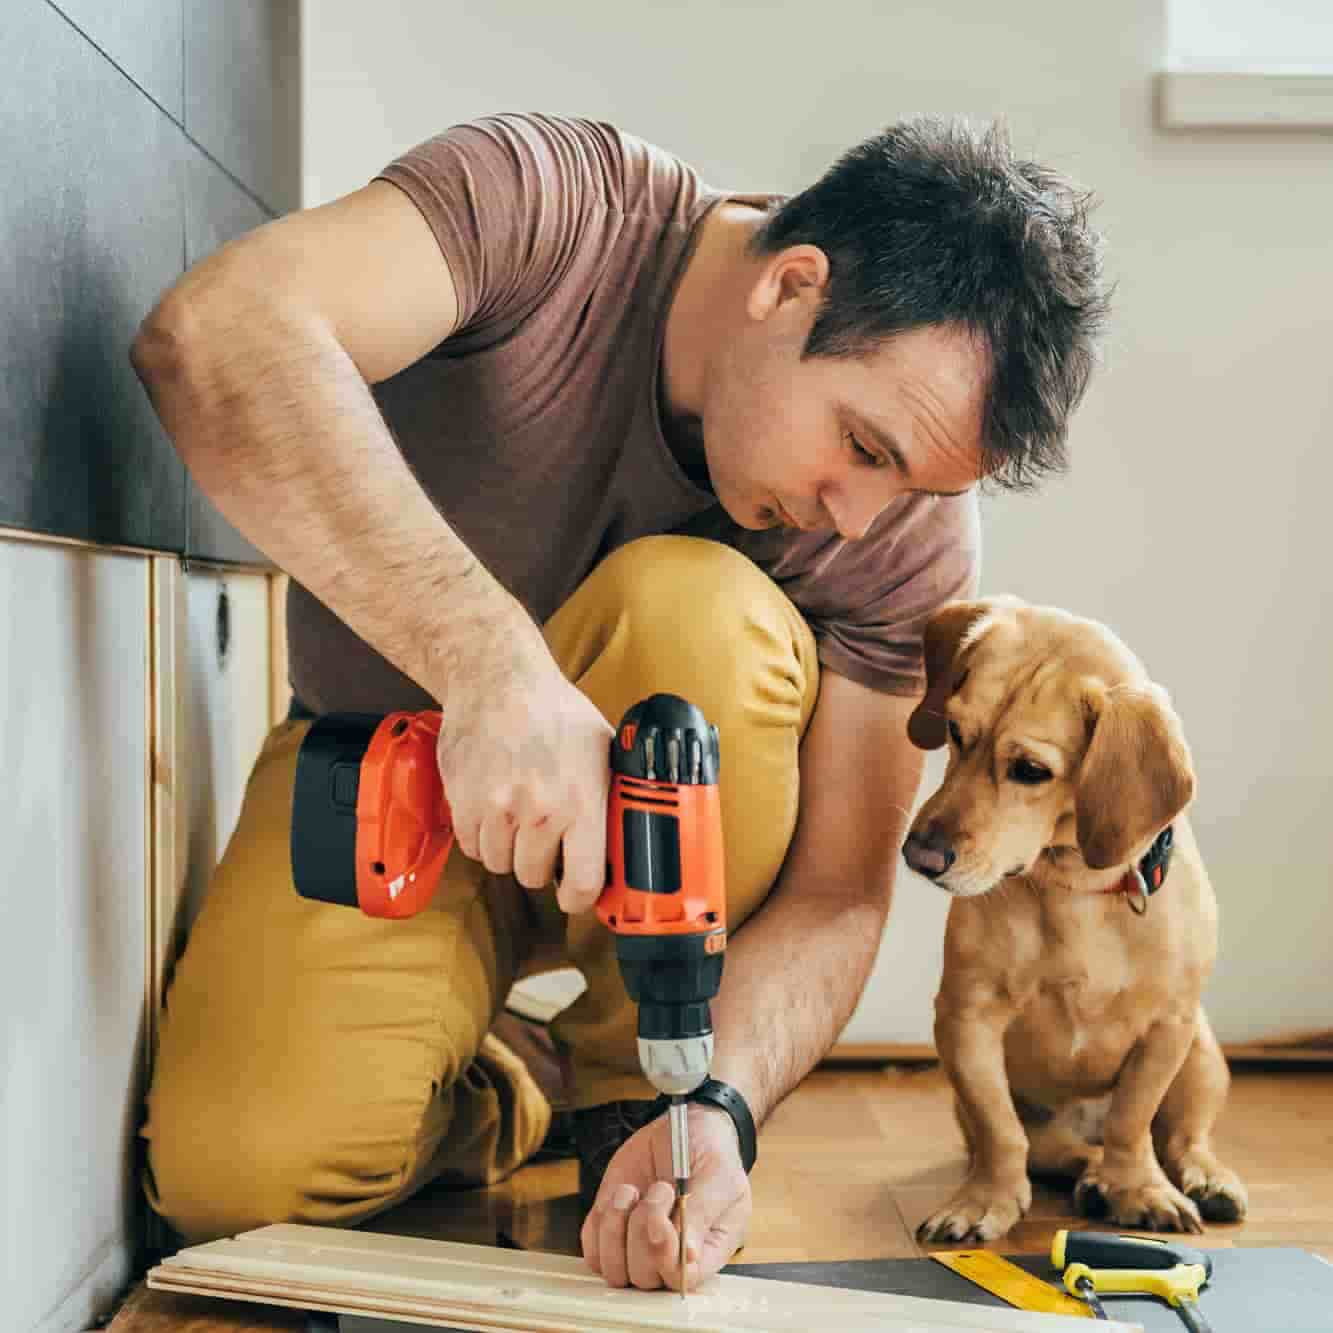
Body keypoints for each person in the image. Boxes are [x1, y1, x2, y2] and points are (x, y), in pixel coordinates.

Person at [130, 111, 1107, 1291]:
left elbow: (839, 893)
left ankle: (636, 1094)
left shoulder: (902, 530)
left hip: (669, 904)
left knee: (694, 606)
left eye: (905, 483)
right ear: (792, 286)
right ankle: (509, 1081)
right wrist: (492, 667)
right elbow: (217, 332)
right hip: (391, 764)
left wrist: (726, 1105)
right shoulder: (547, 205)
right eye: (860, 444)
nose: (858, 515)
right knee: (238, 1180)